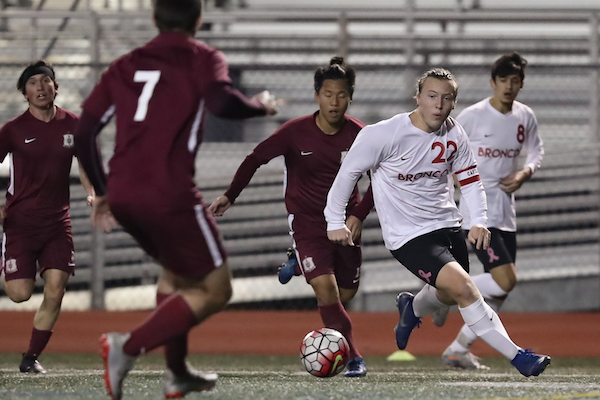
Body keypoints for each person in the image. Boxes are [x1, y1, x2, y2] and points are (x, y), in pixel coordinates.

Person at [74, 0, 278, 398]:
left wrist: (101, 192)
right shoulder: (202, 57)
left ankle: (177, 372)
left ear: (154, 16)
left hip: (124, 192)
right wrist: (261, 106)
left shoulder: (125, 63)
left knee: (176, 275)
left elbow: (84, 134)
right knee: (216, 289)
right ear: (199, 18)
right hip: (170, 193)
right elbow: (221, 102)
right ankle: (126, 347)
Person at [324, 68, 551, 377]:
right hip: (407, 236)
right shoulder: (383, 134)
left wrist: (480, 221)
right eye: (431, 96)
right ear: (418, 98)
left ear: (454, 103)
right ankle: (519, 357)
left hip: (447, 226)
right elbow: (347, 174)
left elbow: (471, 182)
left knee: (448, 295)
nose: (438, 105)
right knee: (466, 289)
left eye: (446, 98)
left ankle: (412, 309)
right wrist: (334, 220)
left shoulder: (455, 133)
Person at [209, 57, 373, 378]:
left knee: (346, 294)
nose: (334, 101)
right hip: (307, 223)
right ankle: (354, 357)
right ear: (316, 96)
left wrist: (358, 216)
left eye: (341, 95)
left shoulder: (362, 135)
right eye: (327, 94)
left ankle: (298, 261)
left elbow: (381, 180)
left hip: (343, 225)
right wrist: (230, 195)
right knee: (327, 291)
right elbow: (254, 158)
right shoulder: (295, 132)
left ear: (350, 96)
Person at [438, 52, 544, 370]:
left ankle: (457, 349)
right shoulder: (472, 116)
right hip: (477, 214)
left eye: (515, 81)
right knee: (506, 280)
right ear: (493, 83)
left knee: (497, 293)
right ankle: (441, 291)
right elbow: (446, 147)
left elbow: (536, 151)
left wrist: (525, 173)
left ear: (521, 84)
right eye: (504, 81)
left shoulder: (525, 116)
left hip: (506, 212)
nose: (509, 86)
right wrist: (455, 181)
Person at [0, 60, 95, 374]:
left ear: (56, 86)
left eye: (45, 81)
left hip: (58, 223)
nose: (40, 87)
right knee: (19, 293)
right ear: (24, 93)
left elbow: (85, 166)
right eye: (33, 83)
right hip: (20, 223)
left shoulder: (74, 125)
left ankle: (30, 359)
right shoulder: (12, 131)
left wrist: (93, 192)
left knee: (56, 289)